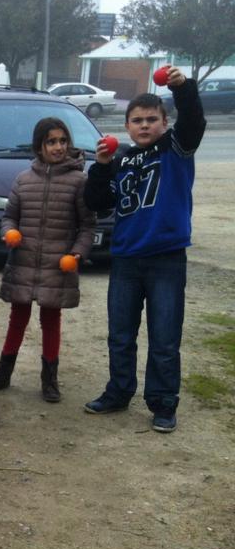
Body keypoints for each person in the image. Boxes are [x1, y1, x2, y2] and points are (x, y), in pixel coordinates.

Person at [83, 65, 205, 433]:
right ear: (127, 126)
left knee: (164, 337)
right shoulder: (120, 159)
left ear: (165, 123)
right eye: (137, 120)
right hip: (126, 259)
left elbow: (193, 122)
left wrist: (183, 88)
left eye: (152, 119)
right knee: (120, 335)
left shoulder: (176, 148)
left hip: (166, 258)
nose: (145, 125)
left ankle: (163, 403)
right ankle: (119, 392)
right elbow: (97, 202)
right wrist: (101, 166)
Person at [0, 118, 97, 402]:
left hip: (57, 265)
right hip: (23, 261)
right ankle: (3, 373)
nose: (58, 147)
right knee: (17, 319)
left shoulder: (79, 181)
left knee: (51, 320)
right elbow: (9, 217)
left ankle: (50, 379)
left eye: (63, 141)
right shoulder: (23, 180)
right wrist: (9, 232)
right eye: (51, 142)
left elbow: (87, 226)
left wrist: (77, 253)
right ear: (39, 146)